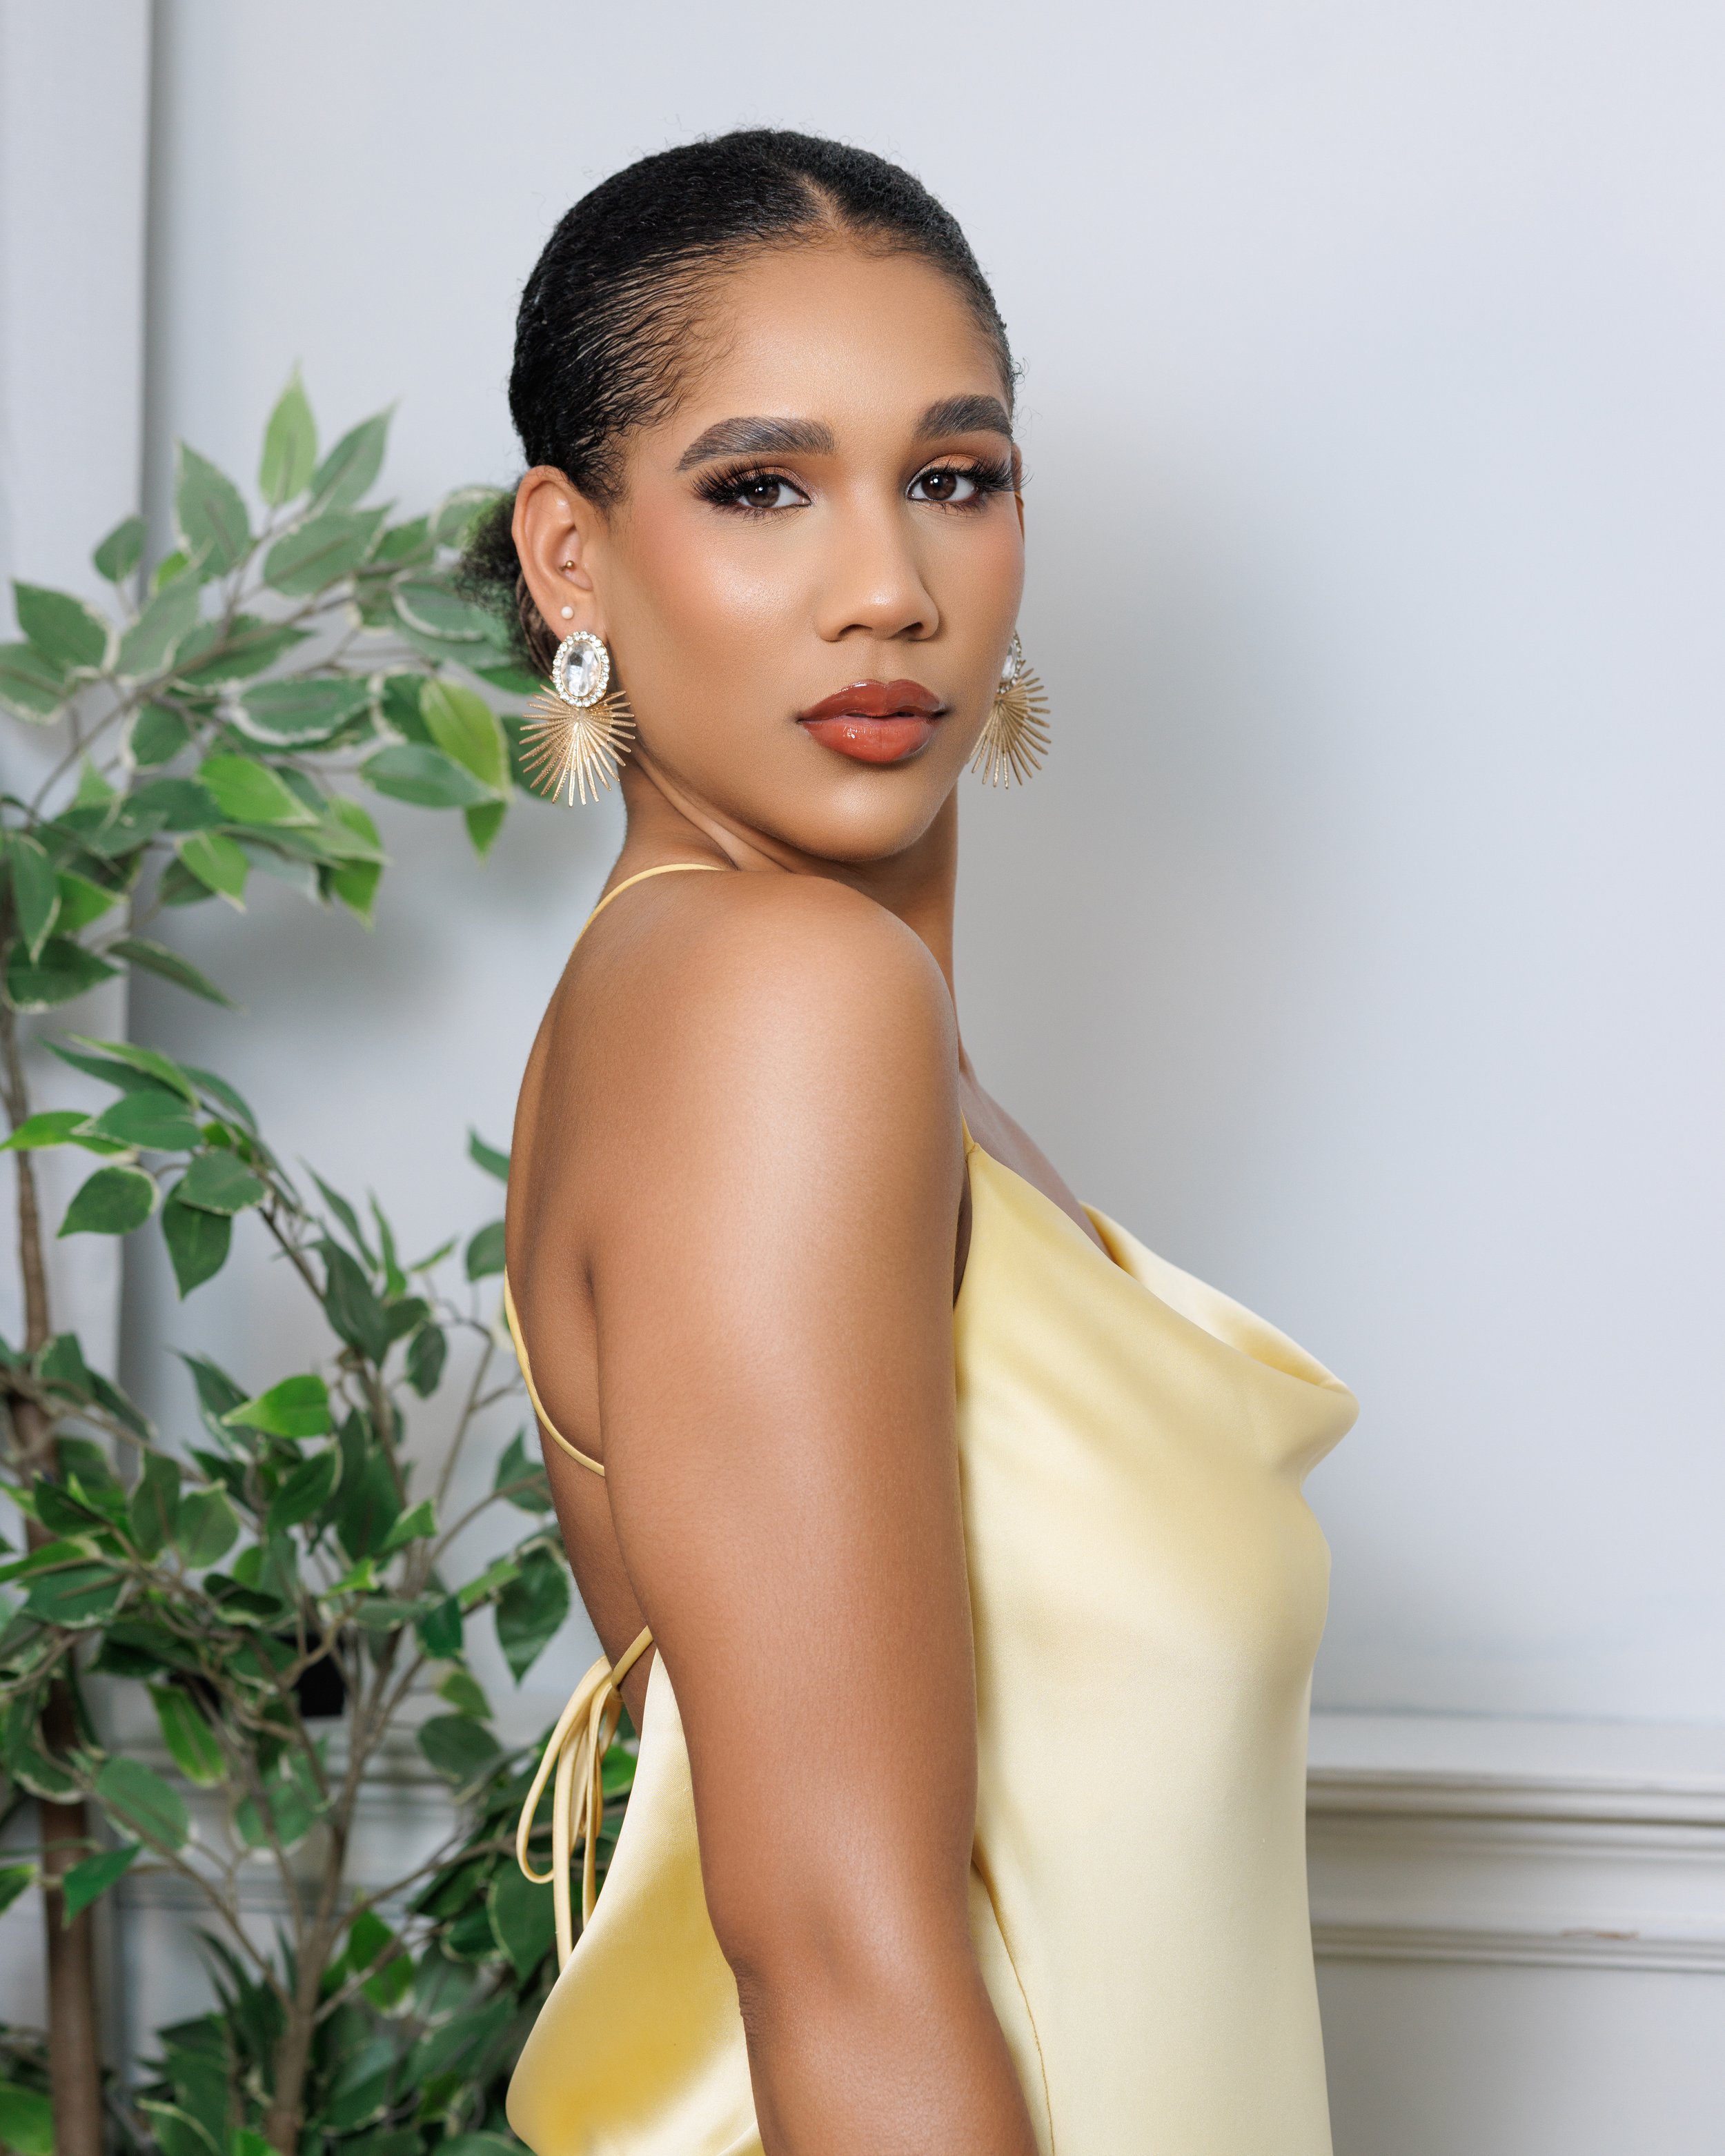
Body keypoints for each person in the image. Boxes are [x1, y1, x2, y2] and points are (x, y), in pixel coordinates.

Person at [466, 128, 1357, 2156]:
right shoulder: (776, 1005)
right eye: (761, 488)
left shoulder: (826, 1032)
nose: (887, 589)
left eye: (953, 478)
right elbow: (839, 1946)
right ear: (569, 555)